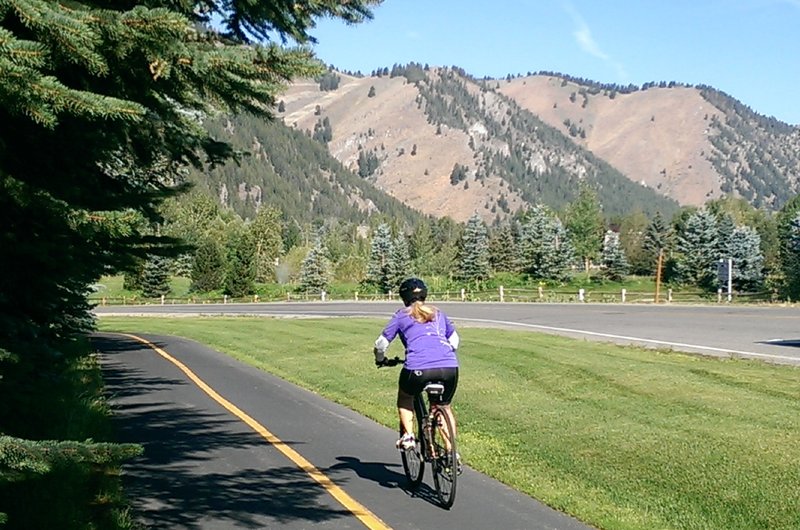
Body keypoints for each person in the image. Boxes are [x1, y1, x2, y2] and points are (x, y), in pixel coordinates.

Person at [373, 277, 460, 460]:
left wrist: (380, 360)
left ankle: (409, 436)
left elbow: (381, 344)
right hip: (449, 367)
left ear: (404, 297)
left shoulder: (401, 315)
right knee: (444, 406)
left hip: (418, 368)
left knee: (405, 396)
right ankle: (452, 452)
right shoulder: (438, 313)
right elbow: (454, 341)